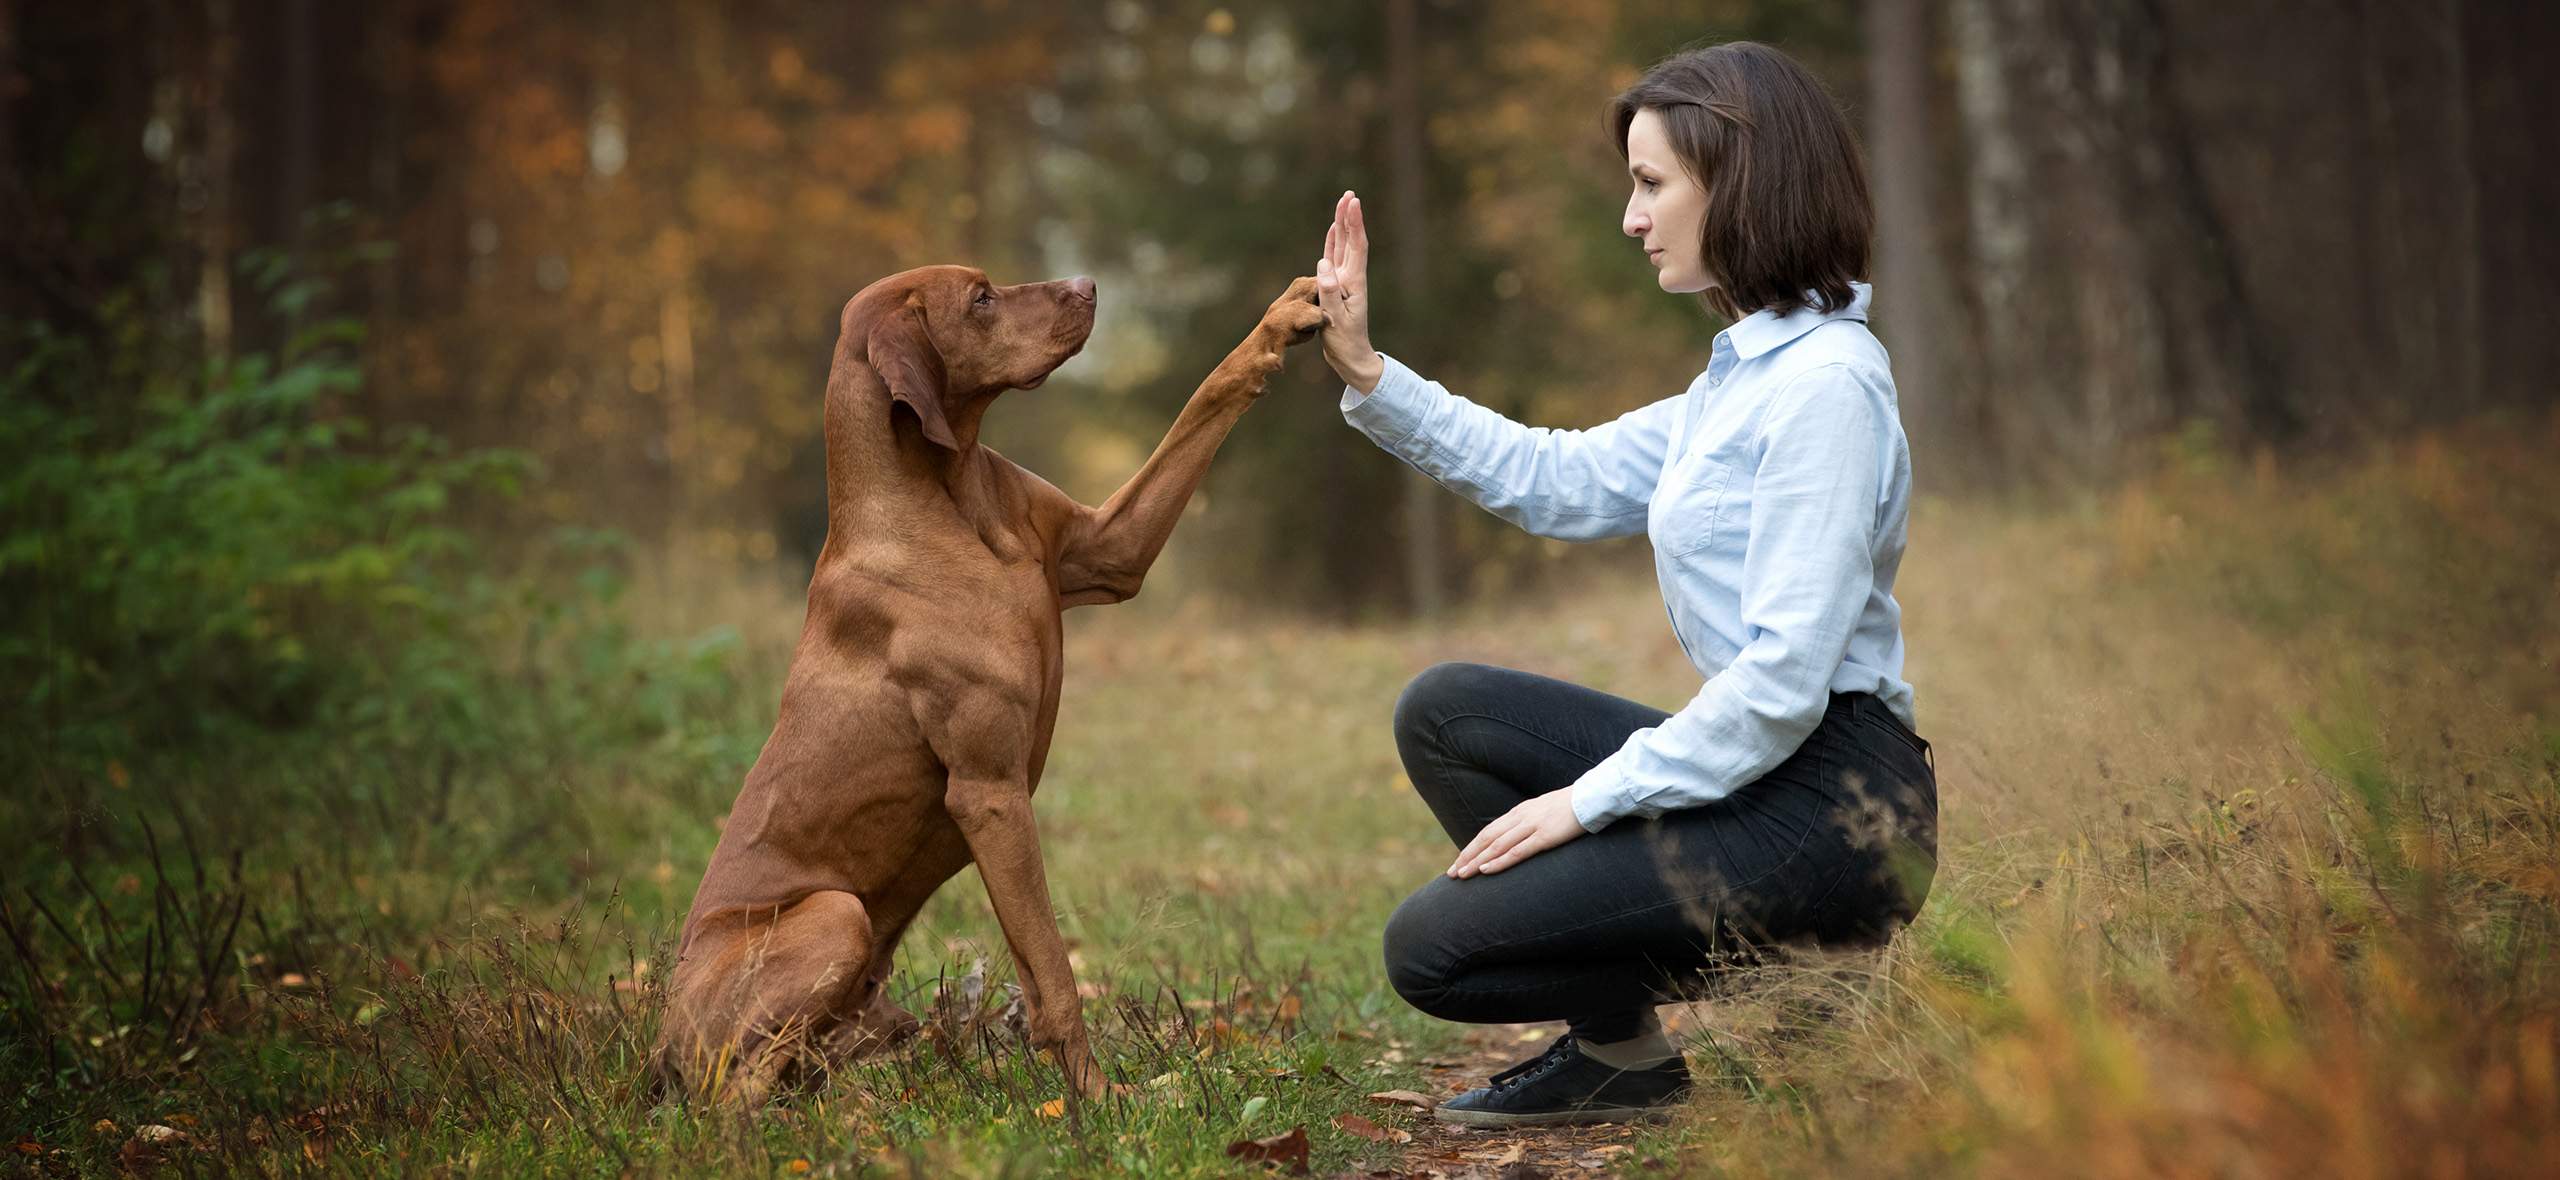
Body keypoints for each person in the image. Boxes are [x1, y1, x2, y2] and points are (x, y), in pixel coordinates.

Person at [1309, 42, 1939, 1129]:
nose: (1630, 216)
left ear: (1736, 181)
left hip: (1841, 811)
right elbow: (1552, 477)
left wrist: (1584, 802)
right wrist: (1370, 373)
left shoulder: (1828, 386)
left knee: (1432, 954)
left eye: (1651, 184)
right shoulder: (1739, 382)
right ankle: (1621, 1056)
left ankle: (1815, 971)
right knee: (1451, 712)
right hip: (1769, 777)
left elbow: (1786, 678)